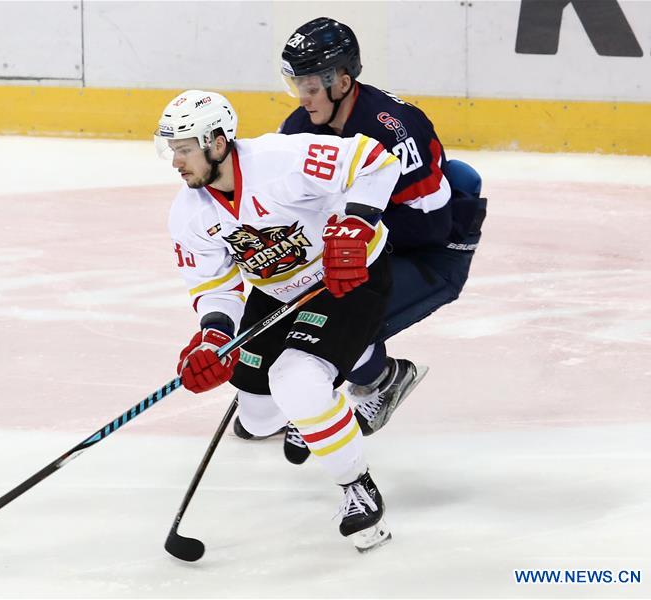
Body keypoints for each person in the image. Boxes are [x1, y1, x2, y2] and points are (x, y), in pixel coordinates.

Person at [156, 89, 401, 550]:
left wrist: (357, 222)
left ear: (217, 143)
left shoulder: (283, 158)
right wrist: (214, 337)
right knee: (259, 414)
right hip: (276, 292)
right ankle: (324, 393)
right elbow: (216, 286)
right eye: (172, 150)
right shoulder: (188, 213)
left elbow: (374, 160)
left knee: (297, 381)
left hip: (346, 277)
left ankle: (357, 488)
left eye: (185, 149)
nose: (176, 162)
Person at [234, 17, 487, 462]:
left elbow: (432, 225)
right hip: (372, 248)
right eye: (297, 85)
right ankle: (312, 392)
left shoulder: (392, 130)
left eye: (311, 87)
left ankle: (384, 379)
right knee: (300, 302)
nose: (302, 98)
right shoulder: (300, 128)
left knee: (334, 317)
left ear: (343, 81)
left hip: (434, 253)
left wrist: (356, 237)